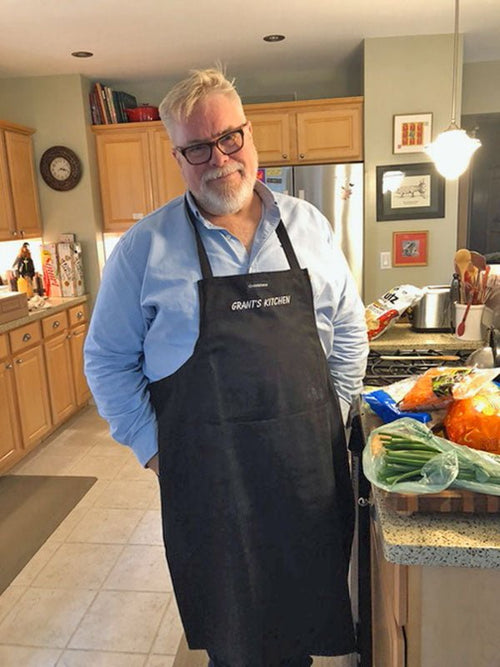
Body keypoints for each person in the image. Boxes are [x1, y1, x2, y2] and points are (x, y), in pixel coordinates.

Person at [84, 67, 369, 667]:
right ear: (176, 155)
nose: (219, 159)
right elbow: (107, 360)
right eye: (196, 147)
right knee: (238, 646)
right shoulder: (144, 249)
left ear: (248, 133)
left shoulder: (310, 227)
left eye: (229, 138)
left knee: (303, 630)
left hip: (306, 477)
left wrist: (335, 409)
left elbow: (348, 327)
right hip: (211, 489)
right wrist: (155, 448)